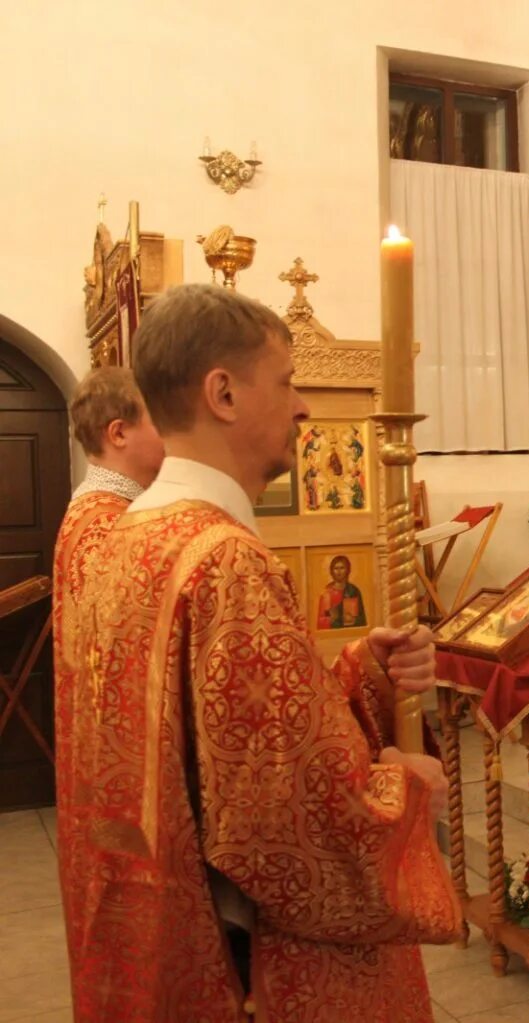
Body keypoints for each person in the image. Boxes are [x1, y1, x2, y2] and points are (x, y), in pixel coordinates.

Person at [57, 284, 459, 1022]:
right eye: (286, 382)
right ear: (224, 393)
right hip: (245, 964)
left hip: (157, 937)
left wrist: (363, 674)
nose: (303, 406)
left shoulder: (129, 536)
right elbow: (280, 820)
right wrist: (406, 792)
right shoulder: (222, 559)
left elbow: (223, 738)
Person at [52, 366, 166, 937]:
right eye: (158, 420)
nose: (170, 434)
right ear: (118, 433)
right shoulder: (107, 528)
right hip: (123, 788)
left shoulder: (101, 513)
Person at [316, 553, 368, 629]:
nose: (339, 572)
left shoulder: (353, 591)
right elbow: (320, 622)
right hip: (333, 634)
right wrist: (331, 618)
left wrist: (354, 620)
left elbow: (362, 619)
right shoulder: (326, 593)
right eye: (336, 568)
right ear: (331, 571)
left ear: (347, 570)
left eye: (342, 568)